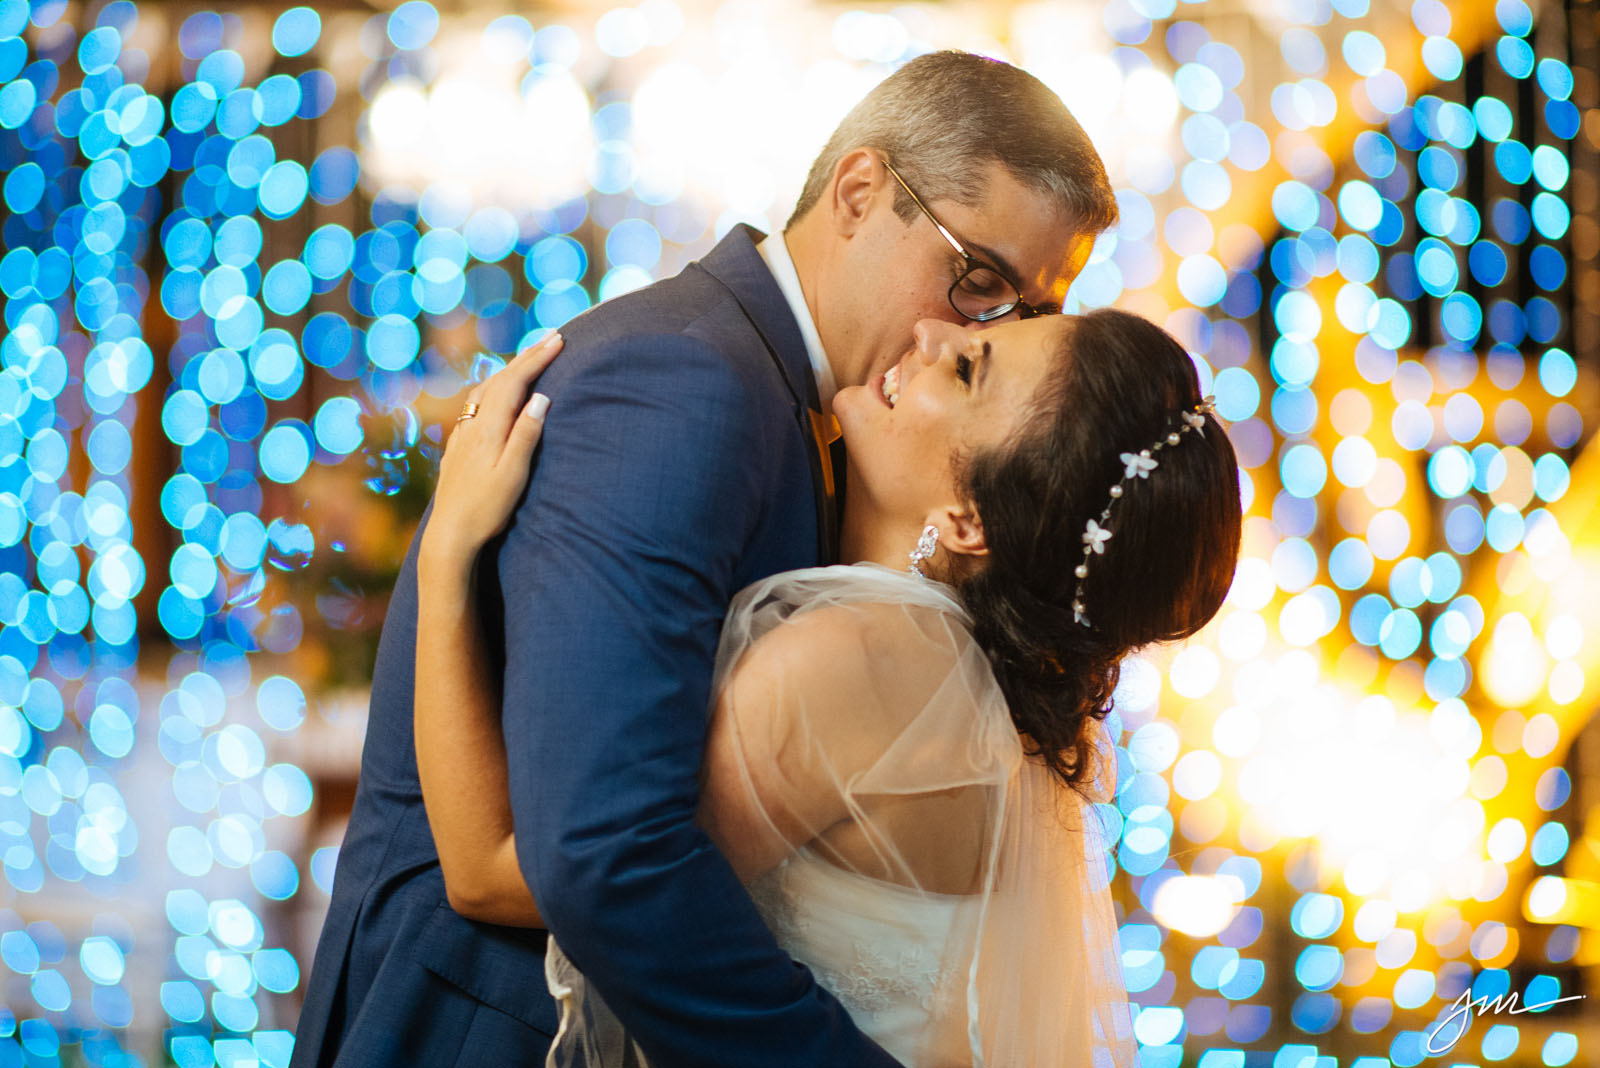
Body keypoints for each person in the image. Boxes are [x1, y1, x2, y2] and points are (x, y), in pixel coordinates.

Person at [291, 50, 1117, 1068]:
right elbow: (603, 852)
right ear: (859, 191)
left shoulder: (821, 422)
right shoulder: (688, 384)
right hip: (483, 1028)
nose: (973, 328)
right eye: (977, 276)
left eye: (1021, 312)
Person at [414, 307, 1243, 1065]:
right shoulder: (969, 687)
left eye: (966, 369)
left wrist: (446, 552)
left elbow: (498, 873)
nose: (930, 332)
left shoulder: (871, 658)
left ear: (967, 520)